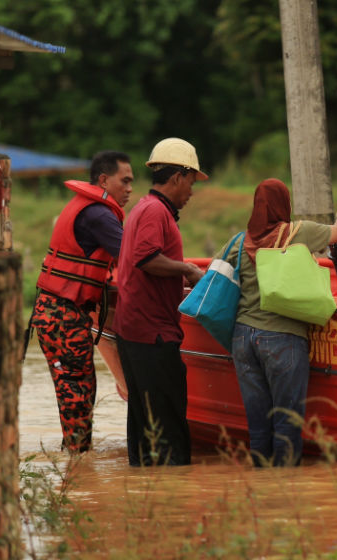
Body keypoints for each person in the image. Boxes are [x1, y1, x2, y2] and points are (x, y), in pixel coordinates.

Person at [215, 178, 337, 467]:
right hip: (282, 338)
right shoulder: (297, 232)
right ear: (284, 203)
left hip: (242, 340)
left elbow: (212, 274)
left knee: (258, 427)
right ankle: (286, 494)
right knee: (287, 424)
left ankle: (261, 492)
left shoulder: (238, 242)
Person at [30, 150, 134, 453]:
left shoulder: (87, 208)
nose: (129, 188)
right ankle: (77, 466)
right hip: (63, 316)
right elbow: (134, 258)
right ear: (103, 179)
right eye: (124, 181)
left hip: (57, 313)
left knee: (76, 393)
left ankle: (76, 464)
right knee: (76, 393)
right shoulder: (98, 214)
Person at [113, 138, 207, 467]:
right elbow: (146, 259)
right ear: (178, 177)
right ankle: (173, 501)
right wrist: (188, 269)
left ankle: (147, 499)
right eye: (191, 182)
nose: (191, 192)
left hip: (134, 330)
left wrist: (178, 276)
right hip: (151, 334)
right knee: (168, 425)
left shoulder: (144, 207)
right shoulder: (154, 211)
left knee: (145, 424)